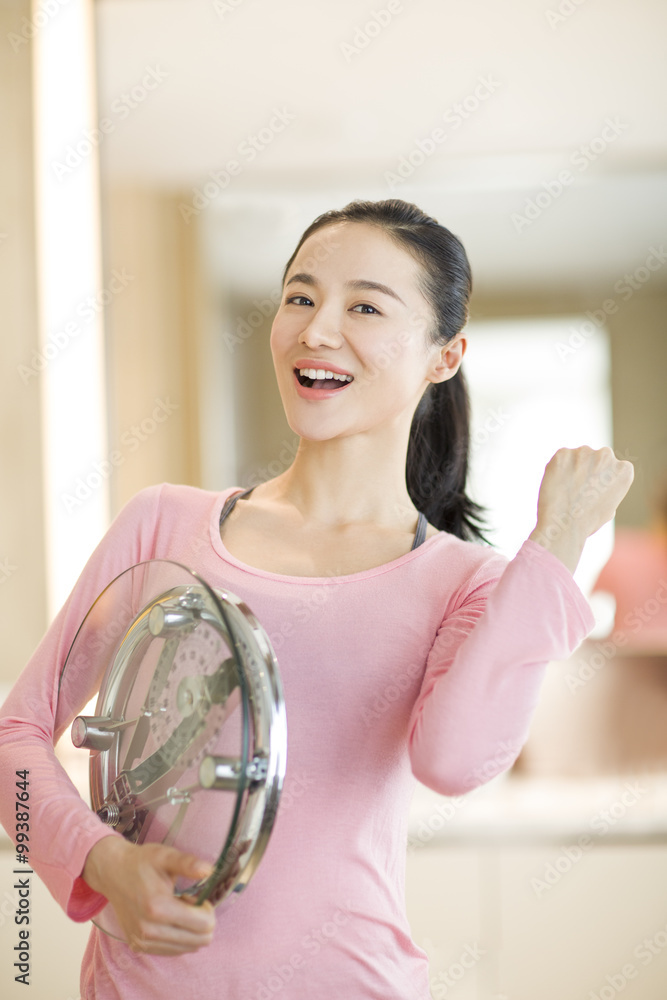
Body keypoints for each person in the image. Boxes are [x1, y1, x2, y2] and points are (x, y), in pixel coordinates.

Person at [0, 198, 633, 999]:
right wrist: (101, 861)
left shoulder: (465, 582)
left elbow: (454, 761)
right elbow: (13, 743)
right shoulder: (163, 523)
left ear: (444, 356)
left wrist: (556, 547)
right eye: (300, 297)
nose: (315, 329)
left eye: (364, 305)